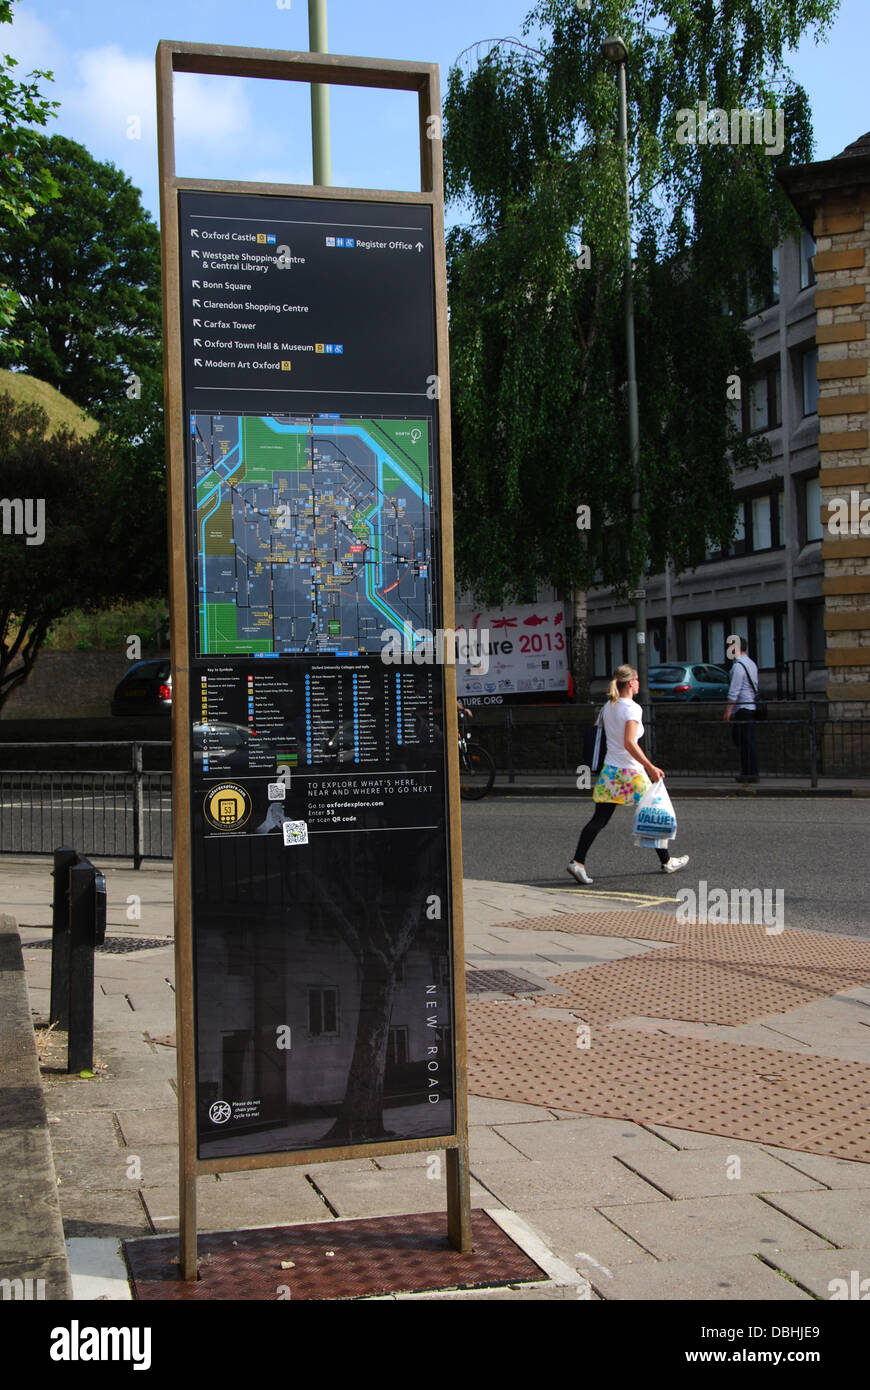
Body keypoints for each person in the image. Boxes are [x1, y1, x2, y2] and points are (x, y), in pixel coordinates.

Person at [567, 663, 689, 885]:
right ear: (631, 682)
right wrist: (650, 767)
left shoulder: (608, 707)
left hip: (611, 771)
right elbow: (630, 743)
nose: (639, 683)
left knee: (599, 819)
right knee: (654, 813)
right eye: (637, 679)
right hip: (631, 773)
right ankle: (667, 861)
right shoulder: (632, 708)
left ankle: (578, 862)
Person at [724, 637, 759, 783]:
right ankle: (750, 772)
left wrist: (728, 710)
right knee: (747, 740)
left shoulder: (739, 666)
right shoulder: (751, 663)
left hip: (742, 708)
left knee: (744, 741)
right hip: (750, 706)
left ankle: (748, 773)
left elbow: (734, 690)